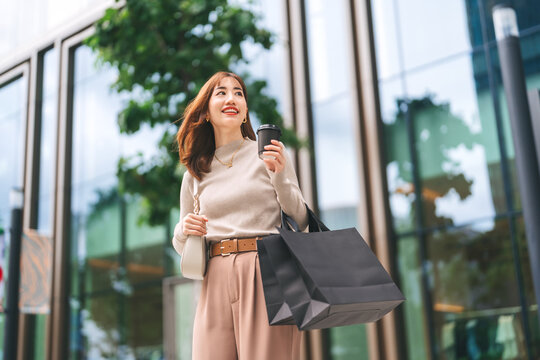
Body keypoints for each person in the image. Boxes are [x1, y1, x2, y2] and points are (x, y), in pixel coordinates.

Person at [172, 71, 308, 360]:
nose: (231, 98)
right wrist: (183, 229)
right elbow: (184, 247)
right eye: (220, 92)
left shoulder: (268, 155)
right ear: (206, 111)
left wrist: (279, 175)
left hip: (265, 271)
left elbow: (301, 219)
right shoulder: (195, 173)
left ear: (245, 110)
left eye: (238, 92)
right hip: (214, 276)